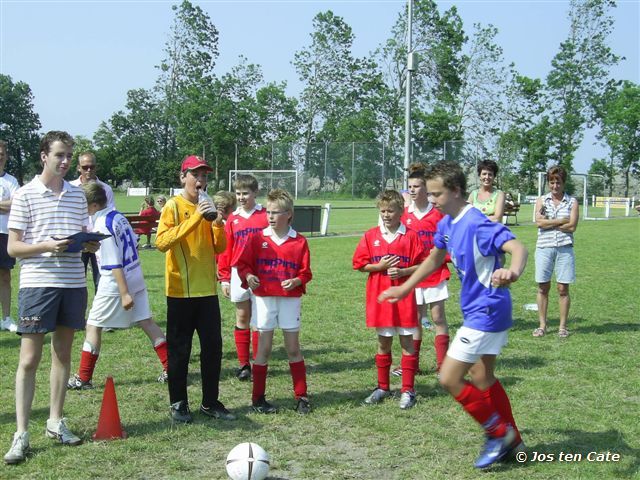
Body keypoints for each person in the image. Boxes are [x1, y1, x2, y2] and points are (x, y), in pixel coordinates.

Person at [379, 161, 528, 469]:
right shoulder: (446, 223)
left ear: (456, 191)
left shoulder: (476, 222)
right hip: (484, 310)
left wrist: (512, 271)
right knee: (482, 377)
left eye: (436, 194)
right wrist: (406, 288)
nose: (430, 200)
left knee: (448, 378)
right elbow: (435, 259)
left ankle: (499, 433)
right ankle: (515, 441)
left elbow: (518, 247)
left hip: (487, 310)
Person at [4, 131, 100, 465]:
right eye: (59, 155)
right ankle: (21, 433)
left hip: (73, 283)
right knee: (29, 359)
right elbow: (13, 247)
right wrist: (47, 245)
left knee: (62, 354)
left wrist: (89, 243)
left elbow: (81, 237)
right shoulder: (25, 194)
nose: (65, 161)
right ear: (43, 156)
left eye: (68, 156)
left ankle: (56, 422)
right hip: (37, 285)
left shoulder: (76, 195)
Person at [155, 155, 235, 424]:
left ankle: (210, 402)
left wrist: (217, 224)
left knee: (213, 348)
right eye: (195, 175)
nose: (200, 181)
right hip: (180, 292)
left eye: (204, 177)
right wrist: (195, 219)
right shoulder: (173, 206)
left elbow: (220, 248)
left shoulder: (207, 205)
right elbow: (162, 242)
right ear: (182, 177)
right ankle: (178, 403)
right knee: (180, 351)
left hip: (207, 292)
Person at [67, 183, 168, 391]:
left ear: (94, 204)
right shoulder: (118, 216)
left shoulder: (103, 223)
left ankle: (83, 378)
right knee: (147, 321)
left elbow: (113, 261)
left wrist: (123, 293)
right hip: (135, 274)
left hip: (115, 281)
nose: (80, 208)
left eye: (82, 204)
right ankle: (172, 367)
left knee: (93, 325)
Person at [234, 189, 313, 414]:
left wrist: (297, 280)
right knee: (264, 350)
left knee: (293, 348)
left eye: (275, 212)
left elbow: (306, 272)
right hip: (264, 300)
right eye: (268, 212)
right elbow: (243, 264)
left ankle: (301, 396)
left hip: (289, 301)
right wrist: (248, 276)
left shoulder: (299, 241)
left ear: (289, 214)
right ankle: (258, 398)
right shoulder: (258, 238)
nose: (270, 216)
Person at [353, 190, 427, 410]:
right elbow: (359, 264)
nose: (386, 215)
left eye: (390, 211)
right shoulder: (371, 236)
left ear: (401, 212)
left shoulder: (411, 236)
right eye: (383, 211)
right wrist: (379, 267)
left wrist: (404, 272)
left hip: (404, 297)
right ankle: (382, 386)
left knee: (407, 342)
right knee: (383, 342)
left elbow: (423, 264)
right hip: (381, 297)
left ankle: (407, 390)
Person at [392, 163, 451, 378]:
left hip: (434, 272)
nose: (413, 190)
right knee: (414, 319)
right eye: (410, 187)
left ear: (427, 189)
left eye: (417, 186)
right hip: (412, 274)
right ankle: (411, 364)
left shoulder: (438, 215)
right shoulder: (404, 215)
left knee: (437, 318)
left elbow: (447, 243)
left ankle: (443, 366)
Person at [217, 174, 268, 381]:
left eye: (245, 193)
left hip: (261, 274)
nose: (241, 197)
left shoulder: (265, 215)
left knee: (259, 320)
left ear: (255, 193)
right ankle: (243, 364)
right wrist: (225, 278)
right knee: (242, 317)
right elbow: (225, 250)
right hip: (238, 274)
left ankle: (258, 362)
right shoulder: (233, 219)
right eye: (238, 193)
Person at [533, 165, 579, 338]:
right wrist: (560, 220)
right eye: (551, 182)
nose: (554, 185)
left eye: (558, 181)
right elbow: (539, 222)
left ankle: (562, 327)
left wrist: (549, 222)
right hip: (544, 248)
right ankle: (542, 325)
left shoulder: (572, 202)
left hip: (565, 249)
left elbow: (572, 226)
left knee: (562, 288)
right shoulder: (542, 201)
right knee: (543, 287)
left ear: (563, 182)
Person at [70, 152, 115, 291]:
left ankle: (99, 311)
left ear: (96, 167)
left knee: (100, 281)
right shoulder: (71, 188)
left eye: (92, 166)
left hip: (98, 239)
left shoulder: (105, 189)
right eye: (85, 167)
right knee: (76, 282)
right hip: (78, 237)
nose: (88, 170)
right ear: (78, 168)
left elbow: (110, 213)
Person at [0, 140, 19, 332]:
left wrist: (7, 205)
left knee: (5, 276)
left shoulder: (11, 181)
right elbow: (7, 205)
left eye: (2, 152)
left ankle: (6, 318)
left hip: (4, 233)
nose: (0, 155)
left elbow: (15, 205)